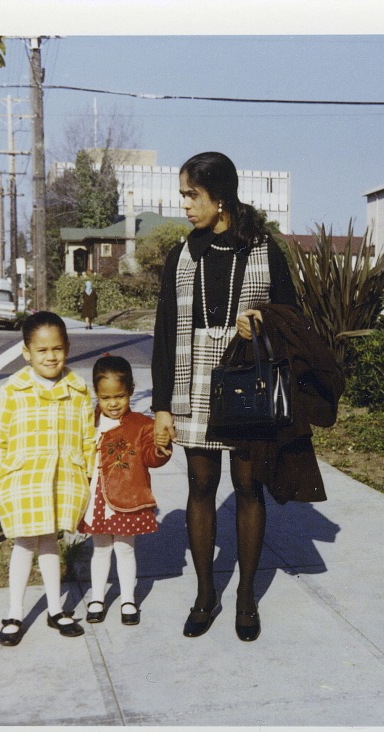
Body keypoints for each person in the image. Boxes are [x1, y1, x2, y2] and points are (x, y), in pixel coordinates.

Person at [151, 151, 305, 642]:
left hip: (245, 379)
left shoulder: (263, 249)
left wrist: (259, 319)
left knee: (246, 488)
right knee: (199, 487)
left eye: (192, 196)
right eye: (184, 197)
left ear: (220, 196)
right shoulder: (182, 254)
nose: (186, 207)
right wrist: (160, 407)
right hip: (192, 379)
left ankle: (244, 598)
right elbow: (163, 332)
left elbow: (292, 316)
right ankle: (204, 594)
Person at [0, 311, 96, 646]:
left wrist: (88, 475)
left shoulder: (78, 390)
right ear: (27, 352)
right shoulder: (14, 389)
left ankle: (54, 608)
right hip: (24, 479)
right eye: (42, 350)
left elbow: (88, 436)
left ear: (67, 347)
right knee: (24, 543)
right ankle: (15, 613)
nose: (51, 356)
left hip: (63, 478)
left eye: (57, 349)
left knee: (50, 541)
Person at [78, 355, 172, 625]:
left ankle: (128, 599)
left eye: (119, 396)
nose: (113, 403)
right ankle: (97, 597)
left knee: (125, 549)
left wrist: (161, 446)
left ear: (130, 390)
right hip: (96, 497)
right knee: (100, 549)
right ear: (97, 394)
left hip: (127, 498)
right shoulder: (89, 421)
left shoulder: (142, 425)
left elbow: (152, 458)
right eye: (106, 398)